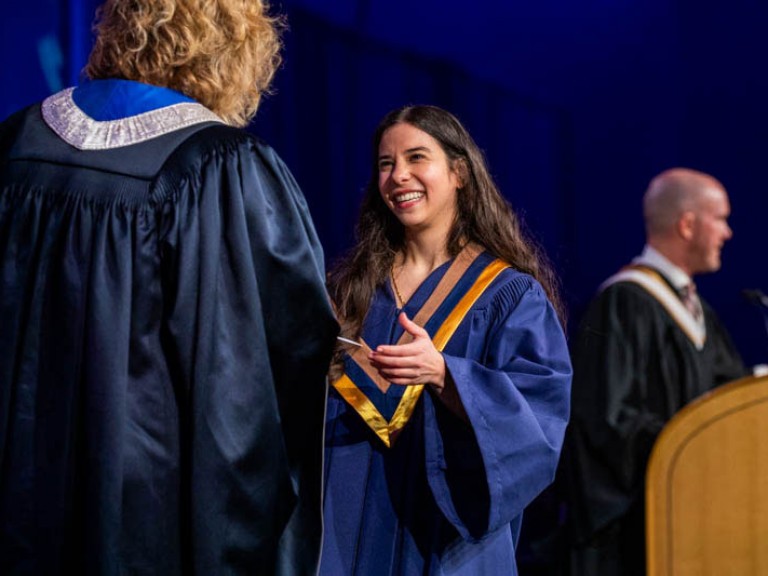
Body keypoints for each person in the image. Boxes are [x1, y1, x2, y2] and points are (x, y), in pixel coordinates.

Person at [0, 1, 338, 574]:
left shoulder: (15, 142)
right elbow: (244, 401)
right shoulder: (219, 169)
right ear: (234, 44)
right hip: (140, 524)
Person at [321, 104, 572, 575]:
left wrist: (445, 375)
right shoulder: (351, 291)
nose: (399, 176)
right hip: (344, 523)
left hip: (448, 540)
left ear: (459, 172)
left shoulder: (508, 296)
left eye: (417, 158)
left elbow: (540, 423)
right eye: (386, 164)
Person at [563, 167, 748, 576]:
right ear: (687, 224)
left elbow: (732, 402)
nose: (728, 232)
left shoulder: (699, 314)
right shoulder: (624, 303)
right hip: (639, 535)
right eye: (720, 218)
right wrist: (690, 455)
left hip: (700, 523)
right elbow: (605, 420)